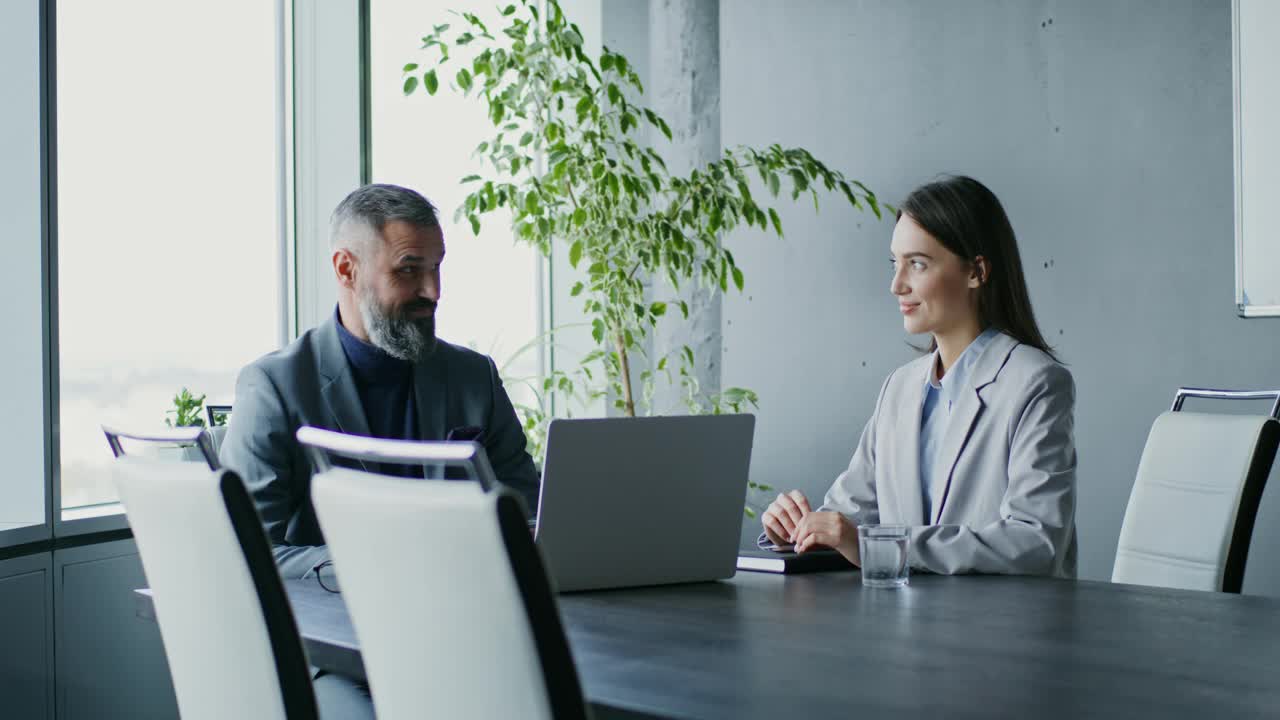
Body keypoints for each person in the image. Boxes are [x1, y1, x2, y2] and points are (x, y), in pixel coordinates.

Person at [761, 175, 1077, 577]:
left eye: (917, 264)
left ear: (976, 272)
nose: (896, 285)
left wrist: (876, 544)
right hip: (902, 627)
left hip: (1002, 630)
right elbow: (847, 517)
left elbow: (1035, 542)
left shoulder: (1036, 383)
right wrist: (794, 530)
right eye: (895, 264)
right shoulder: (901, 387)